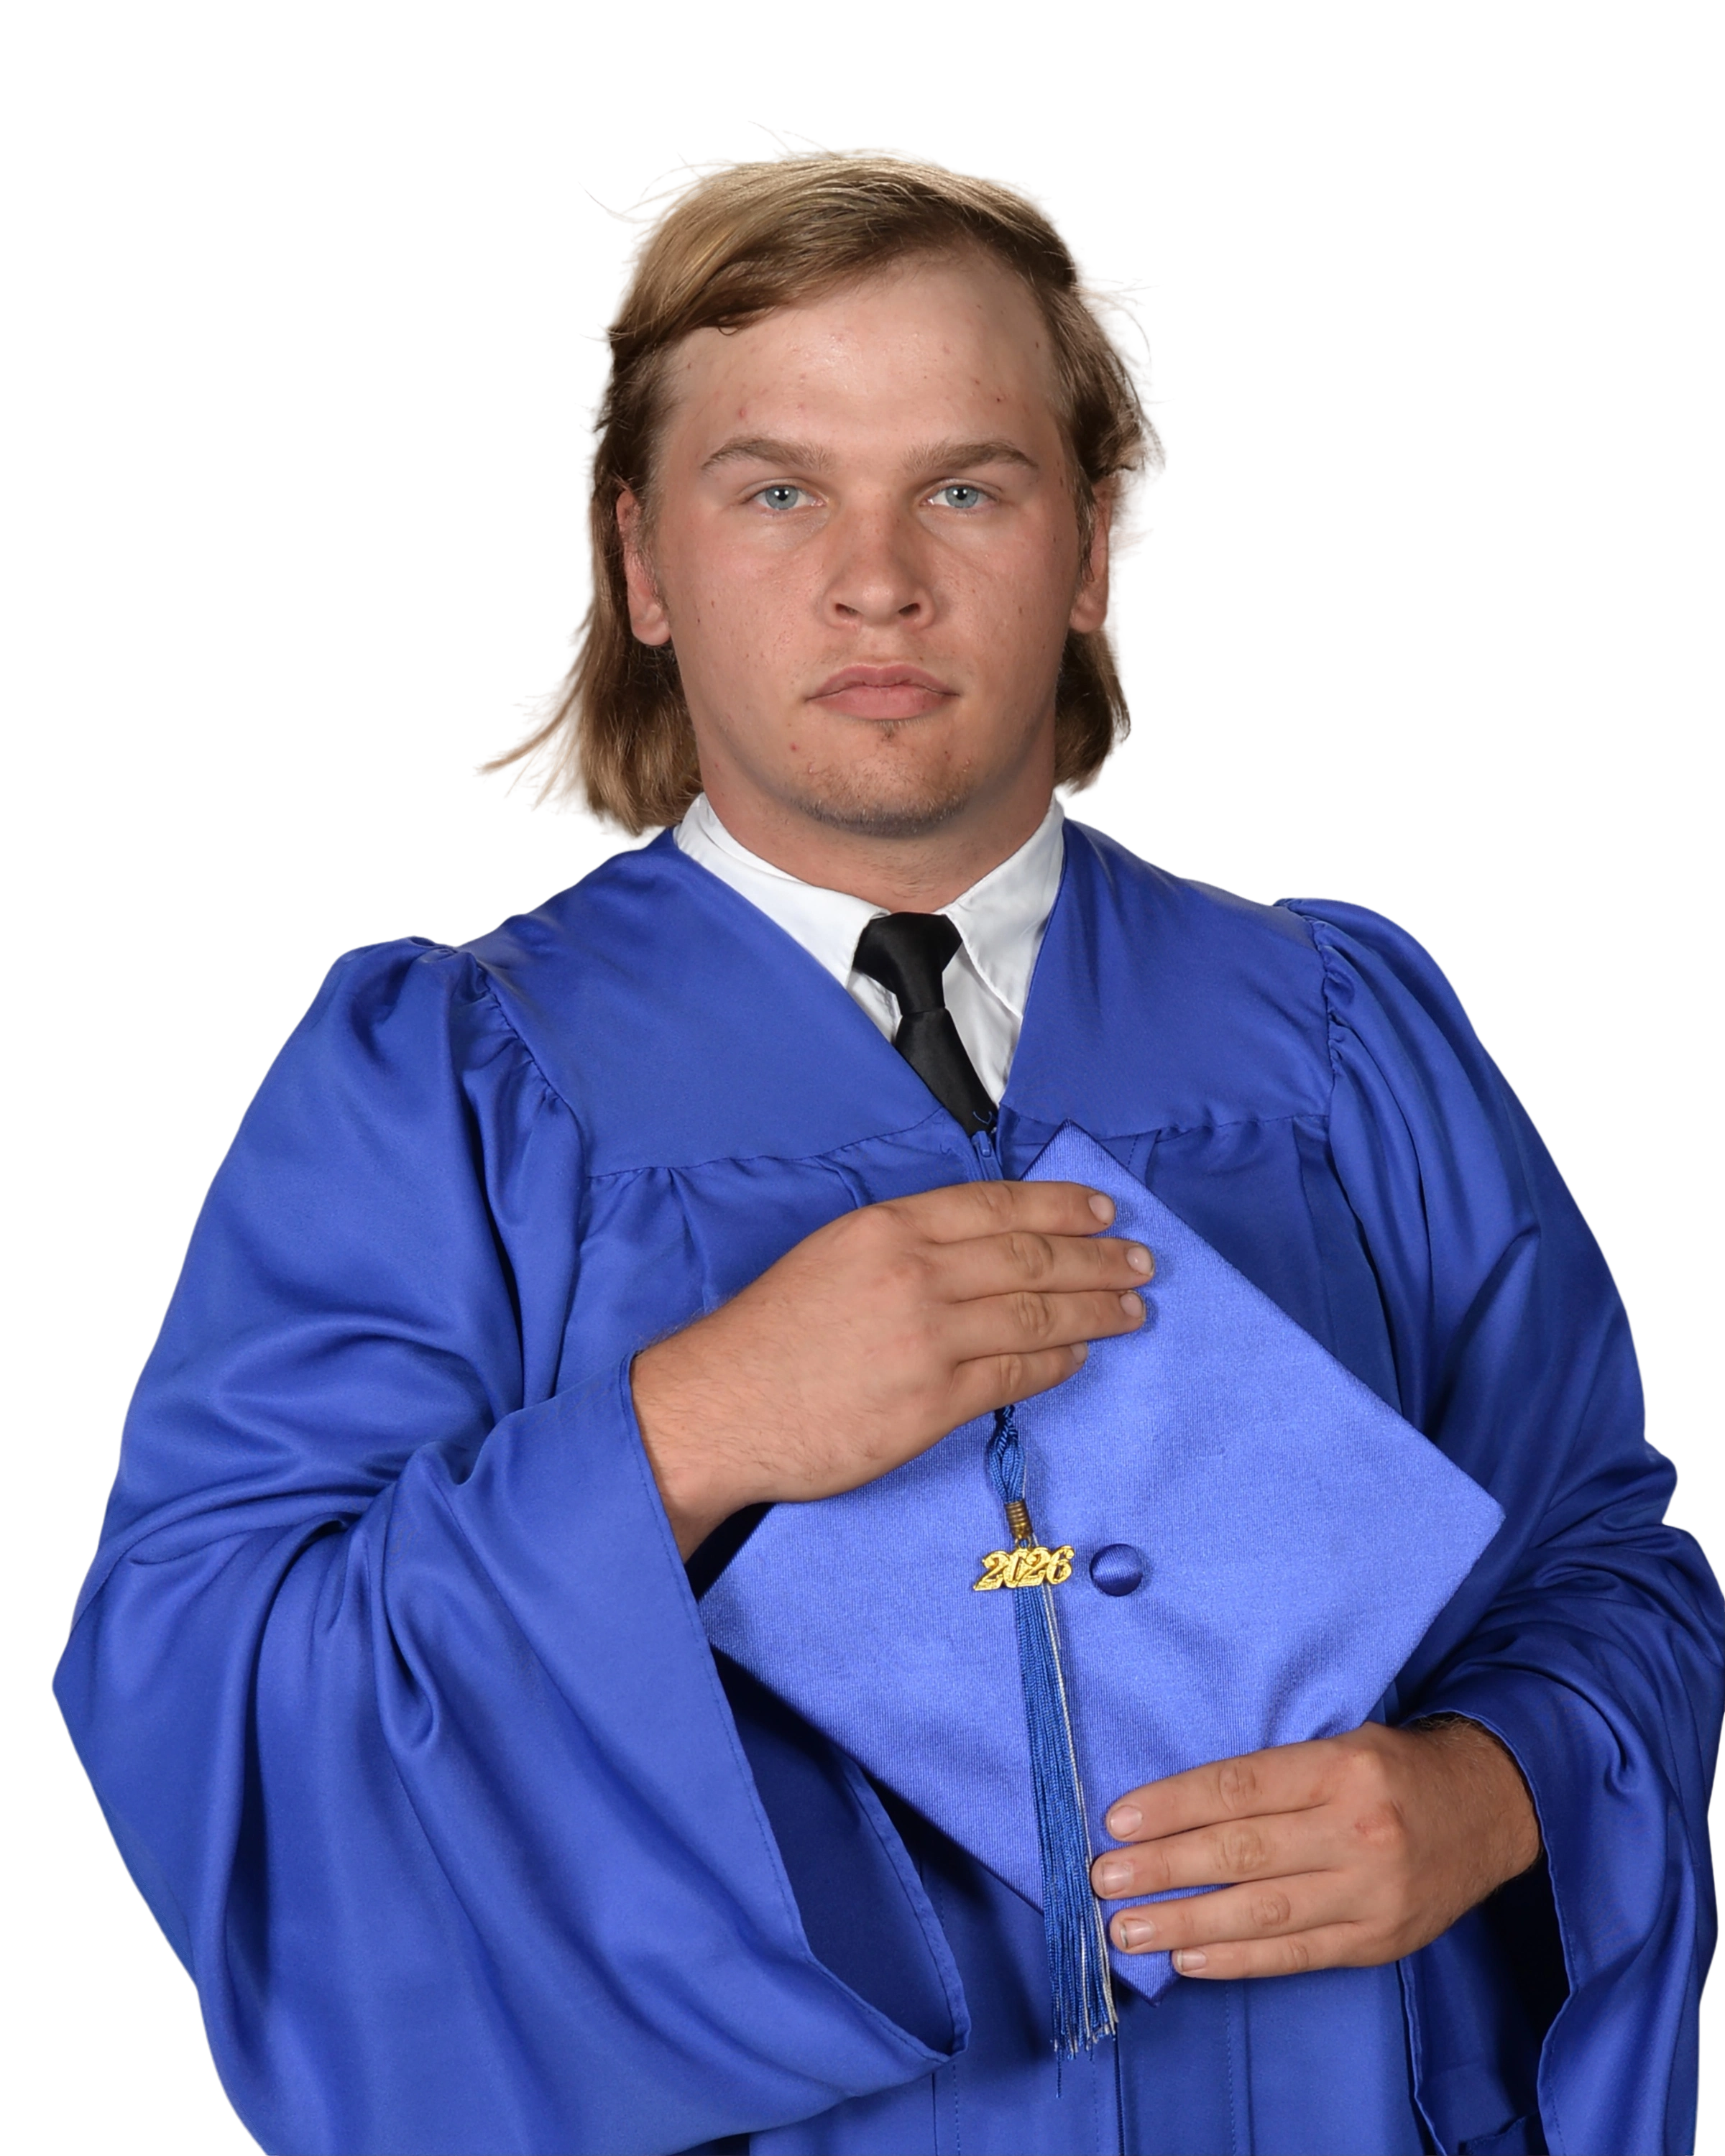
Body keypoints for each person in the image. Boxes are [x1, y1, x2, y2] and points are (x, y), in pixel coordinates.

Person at [52, 137, 1722, 2156]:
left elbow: (1607, 1565)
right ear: (641, 564)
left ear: (1098, 541)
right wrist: (683, 1435)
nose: (876, 579)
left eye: (966, 486)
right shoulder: (447, 1087)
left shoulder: (1342, 1037)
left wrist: (1492, 1792)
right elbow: (213, 1675)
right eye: (777, 491)